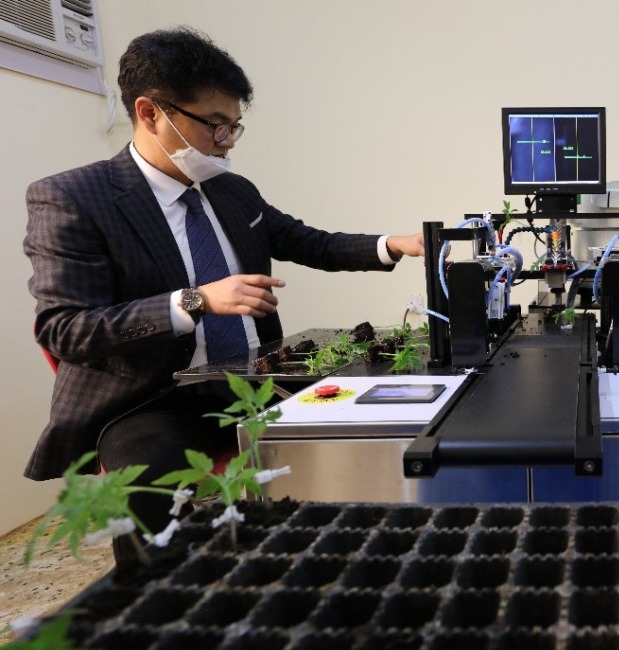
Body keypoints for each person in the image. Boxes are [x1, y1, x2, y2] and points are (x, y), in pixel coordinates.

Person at [23, 27, 425, 565]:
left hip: (257, 380)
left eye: (234, 126)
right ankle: (163, 607)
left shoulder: (231, 190)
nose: (226, 141)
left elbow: (309, 242)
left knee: (376, 418)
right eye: (214, 124)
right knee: (149, 481)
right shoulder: (73, 198)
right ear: (150, 112)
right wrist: (196, 301)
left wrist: (391, 243)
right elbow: (66, 329)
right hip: (153, 398)